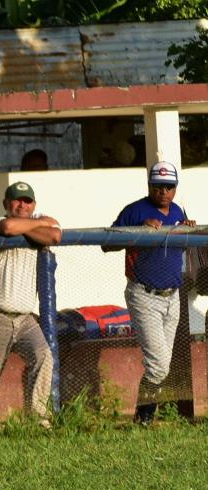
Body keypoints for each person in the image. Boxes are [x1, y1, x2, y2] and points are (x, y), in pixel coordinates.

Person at [103, 161, 196, 425]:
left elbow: (183, 246)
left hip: (172, 295)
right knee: (159, 366)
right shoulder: (135, 210)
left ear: (175, 188)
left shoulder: (177, 210)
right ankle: (143, 418)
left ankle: (143, 418)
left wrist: (187, 227)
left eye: (168, 187)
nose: (163, 192)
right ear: (150, 186)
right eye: (158, 186)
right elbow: (106, 244)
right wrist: (138, 230)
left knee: (161, 365)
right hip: (144, 293)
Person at [0, 181, 61, 427]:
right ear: (6, 204)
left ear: (34, 205)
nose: (22, 205)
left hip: (23, 317)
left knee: (44, 357)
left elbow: (55, 234)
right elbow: (9, 227)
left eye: (27, 201)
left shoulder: (39, 218)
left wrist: (32, 225)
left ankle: (38, 419)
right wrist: (36, 227)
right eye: (17, 200)